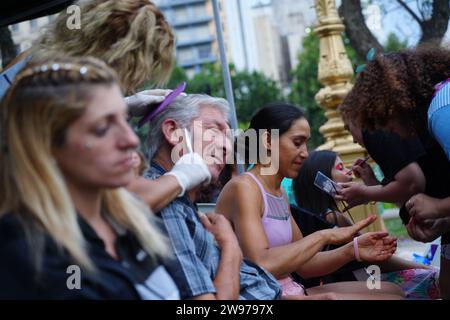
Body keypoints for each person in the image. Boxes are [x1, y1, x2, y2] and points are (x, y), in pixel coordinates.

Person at [0, 57, 178, 299]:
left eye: (125, 120)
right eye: (102, 129)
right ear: (46, 147)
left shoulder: (125, 220)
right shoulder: (30, 256)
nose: (131, 140)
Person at [216, 103, 404, 299]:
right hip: (261, 296)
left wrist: (353, 249)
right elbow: (262, 263)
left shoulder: (279, 192)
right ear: (268, 141)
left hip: (288, 289)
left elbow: (304, 265)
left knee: (393, 292)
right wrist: (325, 236)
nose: (305, 152)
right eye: (297, 143)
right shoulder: (245, 187)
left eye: (306, 143)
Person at [339, 46, 450, 298]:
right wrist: (444, 220)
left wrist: (438, 207)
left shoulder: (442, 111)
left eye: (385, 124)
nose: (396, 136)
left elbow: (412, 182)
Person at [294, 150, 440, 299]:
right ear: (323, 179)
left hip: (349, 281)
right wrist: (422, 267)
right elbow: (378, 258)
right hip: (363, 280)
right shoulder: (333, 217)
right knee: (432, 279)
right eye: (340, 168)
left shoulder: (307, 218)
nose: (349, 174)